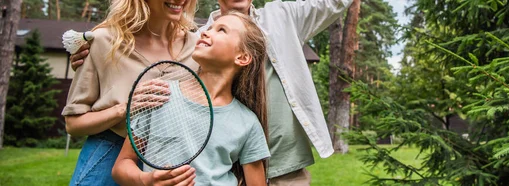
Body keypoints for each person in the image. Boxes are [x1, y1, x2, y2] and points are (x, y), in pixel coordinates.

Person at [68, 0, 354, 184]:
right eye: (213, 30)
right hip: (218, 163)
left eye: (221, 31)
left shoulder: (276, 18)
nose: (210, 34)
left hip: (283, 162)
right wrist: (90, 55)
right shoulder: (196, 40)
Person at [112, 11, 270, 186]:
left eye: (221, 30)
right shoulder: (159, 95)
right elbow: (121, 166)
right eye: (209, 28)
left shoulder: (247, 122)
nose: (205, 32)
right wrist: (146, 179)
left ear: (242, 57)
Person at [61, 0, 199, 185]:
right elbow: (73, 124)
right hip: (108, 157)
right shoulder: (103, 41)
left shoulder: (199, 47)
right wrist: (125, 108)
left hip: (172, 162)